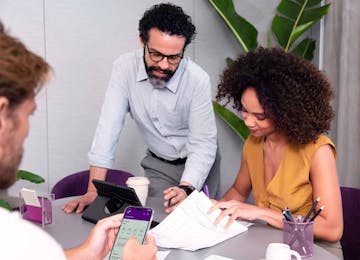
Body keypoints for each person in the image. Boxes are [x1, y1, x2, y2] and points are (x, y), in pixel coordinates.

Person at [0, 21, 157, 259]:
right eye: (28, 114)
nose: (27, 130)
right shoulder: (20, 240)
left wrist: (85, 253)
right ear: (2, 115)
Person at [63, 3, 219, 215]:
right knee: (155, 223)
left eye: (173, 58)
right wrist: (93, 192)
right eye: (156, 54)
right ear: (142, 41)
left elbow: (203, 143)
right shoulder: (124, 68)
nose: (164, 65)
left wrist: (186, 187)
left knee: (195, 224)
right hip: (158, 164)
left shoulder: (197, 79)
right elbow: (108, 129)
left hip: (200, 163)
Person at [208, 47, 343, 256]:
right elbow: (238, 191)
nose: (249, 121)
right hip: (275, 243)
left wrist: (261, 213)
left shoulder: (317, 150)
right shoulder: (253, 144)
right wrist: (213, 210)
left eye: (260, 116)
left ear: (286, 112)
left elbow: (332, 229)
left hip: (314, 249)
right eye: (244, 110)